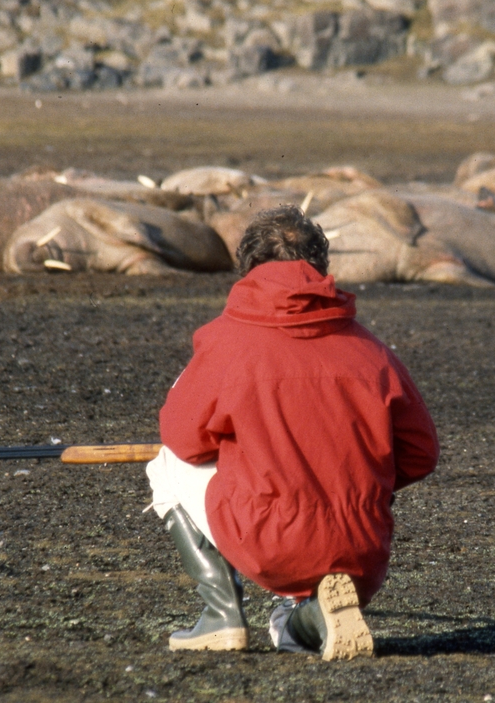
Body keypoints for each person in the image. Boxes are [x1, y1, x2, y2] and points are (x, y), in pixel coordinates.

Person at [145, 205, 438, 660]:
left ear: (248, 266)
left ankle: (221, 616)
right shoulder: (371, 349)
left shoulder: (227, 340)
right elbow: (421, 453)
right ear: (321, 266)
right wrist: (356, 479)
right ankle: (314, 617)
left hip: (269, 539)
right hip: (362, 546)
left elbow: (184, 440)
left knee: (165, 465)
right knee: (296, 624)